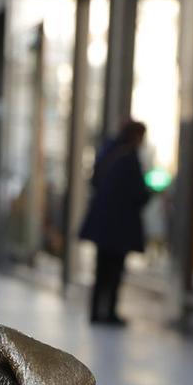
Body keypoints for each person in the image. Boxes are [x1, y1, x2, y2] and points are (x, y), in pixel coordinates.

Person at [79, 118, 152, 326]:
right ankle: (109, 312)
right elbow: (138, 193)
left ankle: (95, 311)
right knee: (114, 270)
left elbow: (94, 181)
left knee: (101, 269)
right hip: (120, 225)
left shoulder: (107, 151)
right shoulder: (129, 157)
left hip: (102, 223)